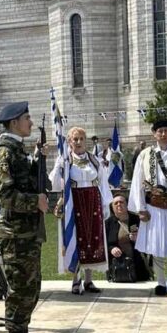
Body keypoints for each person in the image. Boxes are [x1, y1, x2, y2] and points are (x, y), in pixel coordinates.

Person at [0, 101, 51, 333]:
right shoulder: (4, 152)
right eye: (27, 118)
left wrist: (38, 162)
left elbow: (27, 183)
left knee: (31, 288)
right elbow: (2, 195)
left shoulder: (18, 151)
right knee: (19, 290)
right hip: (14, 234)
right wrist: (35, 201)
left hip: (27, 232)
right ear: (14, 122)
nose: (31, 122)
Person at [49, 125, 112, 294]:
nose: (78, 142)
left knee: (92, 238)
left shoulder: (94, 160)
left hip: (92, 201)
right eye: (75, 139)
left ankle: (89, 280)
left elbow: (103, 182)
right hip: (73, 202)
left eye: (81, 139)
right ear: (69, 142)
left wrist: (106, 204)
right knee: (75, 238)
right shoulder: (65, 160)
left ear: (85, 141)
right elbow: (55, 183)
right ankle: (76, 280)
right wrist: (59, 167)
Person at [129, 118, 167, 296]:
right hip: (153, 207)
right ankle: (161, 282)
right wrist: (140, 208)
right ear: (154, 134)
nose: (164, 134)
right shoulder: (145, 154)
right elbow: (137, 181)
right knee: (156, 246)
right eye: (160, 131)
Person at [105, 194, 151, 282]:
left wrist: (139, 239)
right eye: (115, 203)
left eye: (121, 202)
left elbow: (149, 239)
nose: (119, 204)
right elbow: (104, 244)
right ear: (112, 207)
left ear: (127, 205)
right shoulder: (108, 223)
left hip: (138, 269)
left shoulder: (137, 220)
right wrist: (112, 249)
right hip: (118, 270)